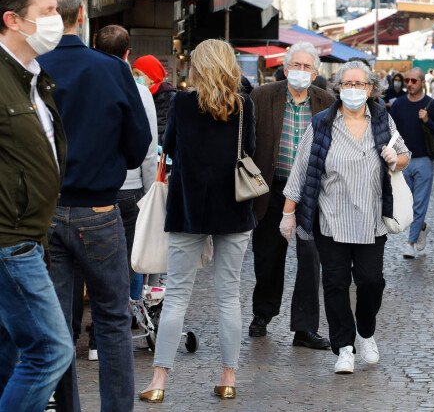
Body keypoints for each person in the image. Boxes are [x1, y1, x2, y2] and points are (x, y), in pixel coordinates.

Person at [39, 0, 151, 412]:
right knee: (111, 321)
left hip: (48, 209)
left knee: (60, 326)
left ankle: (67, 407)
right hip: (100, 209)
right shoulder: (111, 69)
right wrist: (109, 164)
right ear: (80, 15)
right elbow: (138, 141)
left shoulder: (34, 67)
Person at [139, 39, 257, 403]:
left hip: (189, 206)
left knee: (176, 296)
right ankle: (228, 376)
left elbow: (169, 146)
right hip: (234, 207)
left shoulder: (182, 104)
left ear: (197, 67)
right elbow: (249, 149)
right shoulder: (243, 106)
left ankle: (158, 381)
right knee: (228, 296)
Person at [281, 61, 410, 374]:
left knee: (371, 282)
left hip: (371, 219)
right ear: (338, 88)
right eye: (348, 84)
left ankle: (365, 332)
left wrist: (396, 158)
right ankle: (345, 348)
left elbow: (404, 155)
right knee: (336, 283)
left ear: (369, 89)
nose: (354, 89)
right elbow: (301, 170)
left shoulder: (382, 119)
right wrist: (288, 214)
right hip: (332, 220)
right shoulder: (322, 123)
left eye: (360, 84)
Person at [0, 0, 73, 412]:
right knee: (51, 351)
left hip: (31, 237)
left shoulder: (34, 77)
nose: (57, 21)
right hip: (10, 242)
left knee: (9, 355)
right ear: (13, 20)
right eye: (47, 12)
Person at [249, 42, 335, 348]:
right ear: (285, 69)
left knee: (310, 259)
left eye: (307, 67)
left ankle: (304, 328)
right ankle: (263, 313)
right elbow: (247, 142)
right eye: (295, 66)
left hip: (310, 194)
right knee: (268, 256)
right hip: (271, 189)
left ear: (315, 73)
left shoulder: (327, 102)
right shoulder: (262, 96)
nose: (301, 71)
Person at [94, 25, 159, 302]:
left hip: (92, 187)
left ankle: (102, 324)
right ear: (128, 54)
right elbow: (148, 147)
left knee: (94, 261)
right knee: (130, 256)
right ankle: (128, 311)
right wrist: (148, 191)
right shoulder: (141, 92)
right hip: (129, 188)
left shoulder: (86, 83)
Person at [390, 67, 434, 259]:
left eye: (413, 81)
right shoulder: (398, 105)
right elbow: (391, 132)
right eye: (407, 80)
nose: (408, 84)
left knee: (419, 204)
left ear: (423, 83)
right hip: (403, 161)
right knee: (405, 205)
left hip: (424, 160)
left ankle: (410, 244)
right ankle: (422, 227)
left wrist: (427, 121)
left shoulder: (432, 105)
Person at [133, 54, 176, 144]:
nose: (134, 78)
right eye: (133, 74)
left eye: (138, 74)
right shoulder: (136, 97)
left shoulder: (171, 98)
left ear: (152, 77)